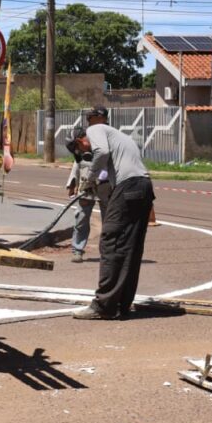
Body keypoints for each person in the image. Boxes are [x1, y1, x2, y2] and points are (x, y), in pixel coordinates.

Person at [67, 121, 155, 320]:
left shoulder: (94, 129)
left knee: (110, 241)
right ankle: (121, 304)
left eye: (80, 149)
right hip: (143, 186)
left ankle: (104, 305)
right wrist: (96, 181)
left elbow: (102, 153)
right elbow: (109, 167)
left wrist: (88, 179)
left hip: (129, 188)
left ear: (81, 140)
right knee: (129, 248)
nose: (84, 153)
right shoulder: (116, 136)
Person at [65, 106, 110, 262]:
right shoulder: (82, 150)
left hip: (105, 188)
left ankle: (107, 252)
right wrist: (72, 183)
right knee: (82, 219)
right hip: (86, 189)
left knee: (109, 221)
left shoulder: (103, 141)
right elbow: (76, 165)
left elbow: (110, 165)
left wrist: (102, 178)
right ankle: (77, 249)